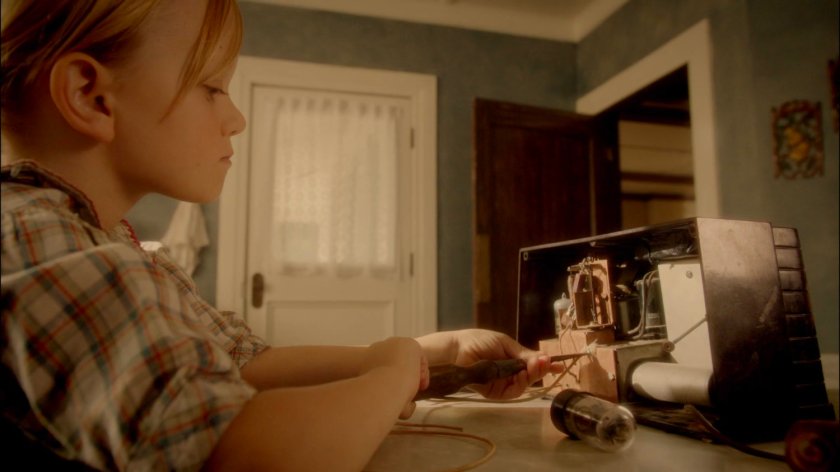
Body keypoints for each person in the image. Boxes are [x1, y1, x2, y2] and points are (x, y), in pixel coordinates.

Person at [0, 1, 558, 470]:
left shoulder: (122, 253)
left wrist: (435, 351)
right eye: (213, 87)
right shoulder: (39, 244)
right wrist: (391, 376)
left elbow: (245, 363)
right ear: (91, 96)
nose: (236, 117)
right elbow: (245, 451)